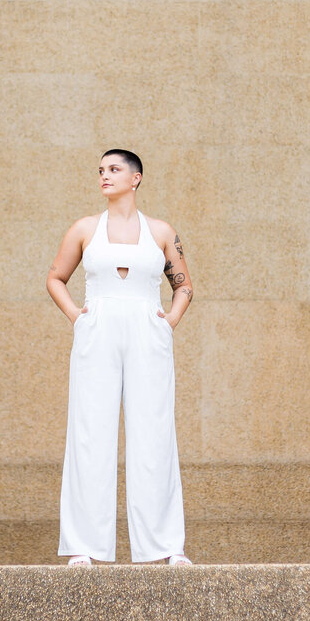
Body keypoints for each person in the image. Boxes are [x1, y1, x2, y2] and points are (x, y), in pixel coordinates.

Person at [45, 149, 194, 567]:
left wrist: (169, 323)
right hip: (98, 331)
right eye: (100, 171)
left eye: (114, 170)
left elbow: (183, 286)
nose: (104, 177)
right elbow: (55, 278)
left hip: (149, 330)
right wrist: (77, 317)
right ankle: (84, 546)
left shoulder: (162, 231)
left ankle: (165, 547)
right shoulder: (84, 229)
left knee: (155, 433)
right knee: (90, 432)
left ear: (137, 178)